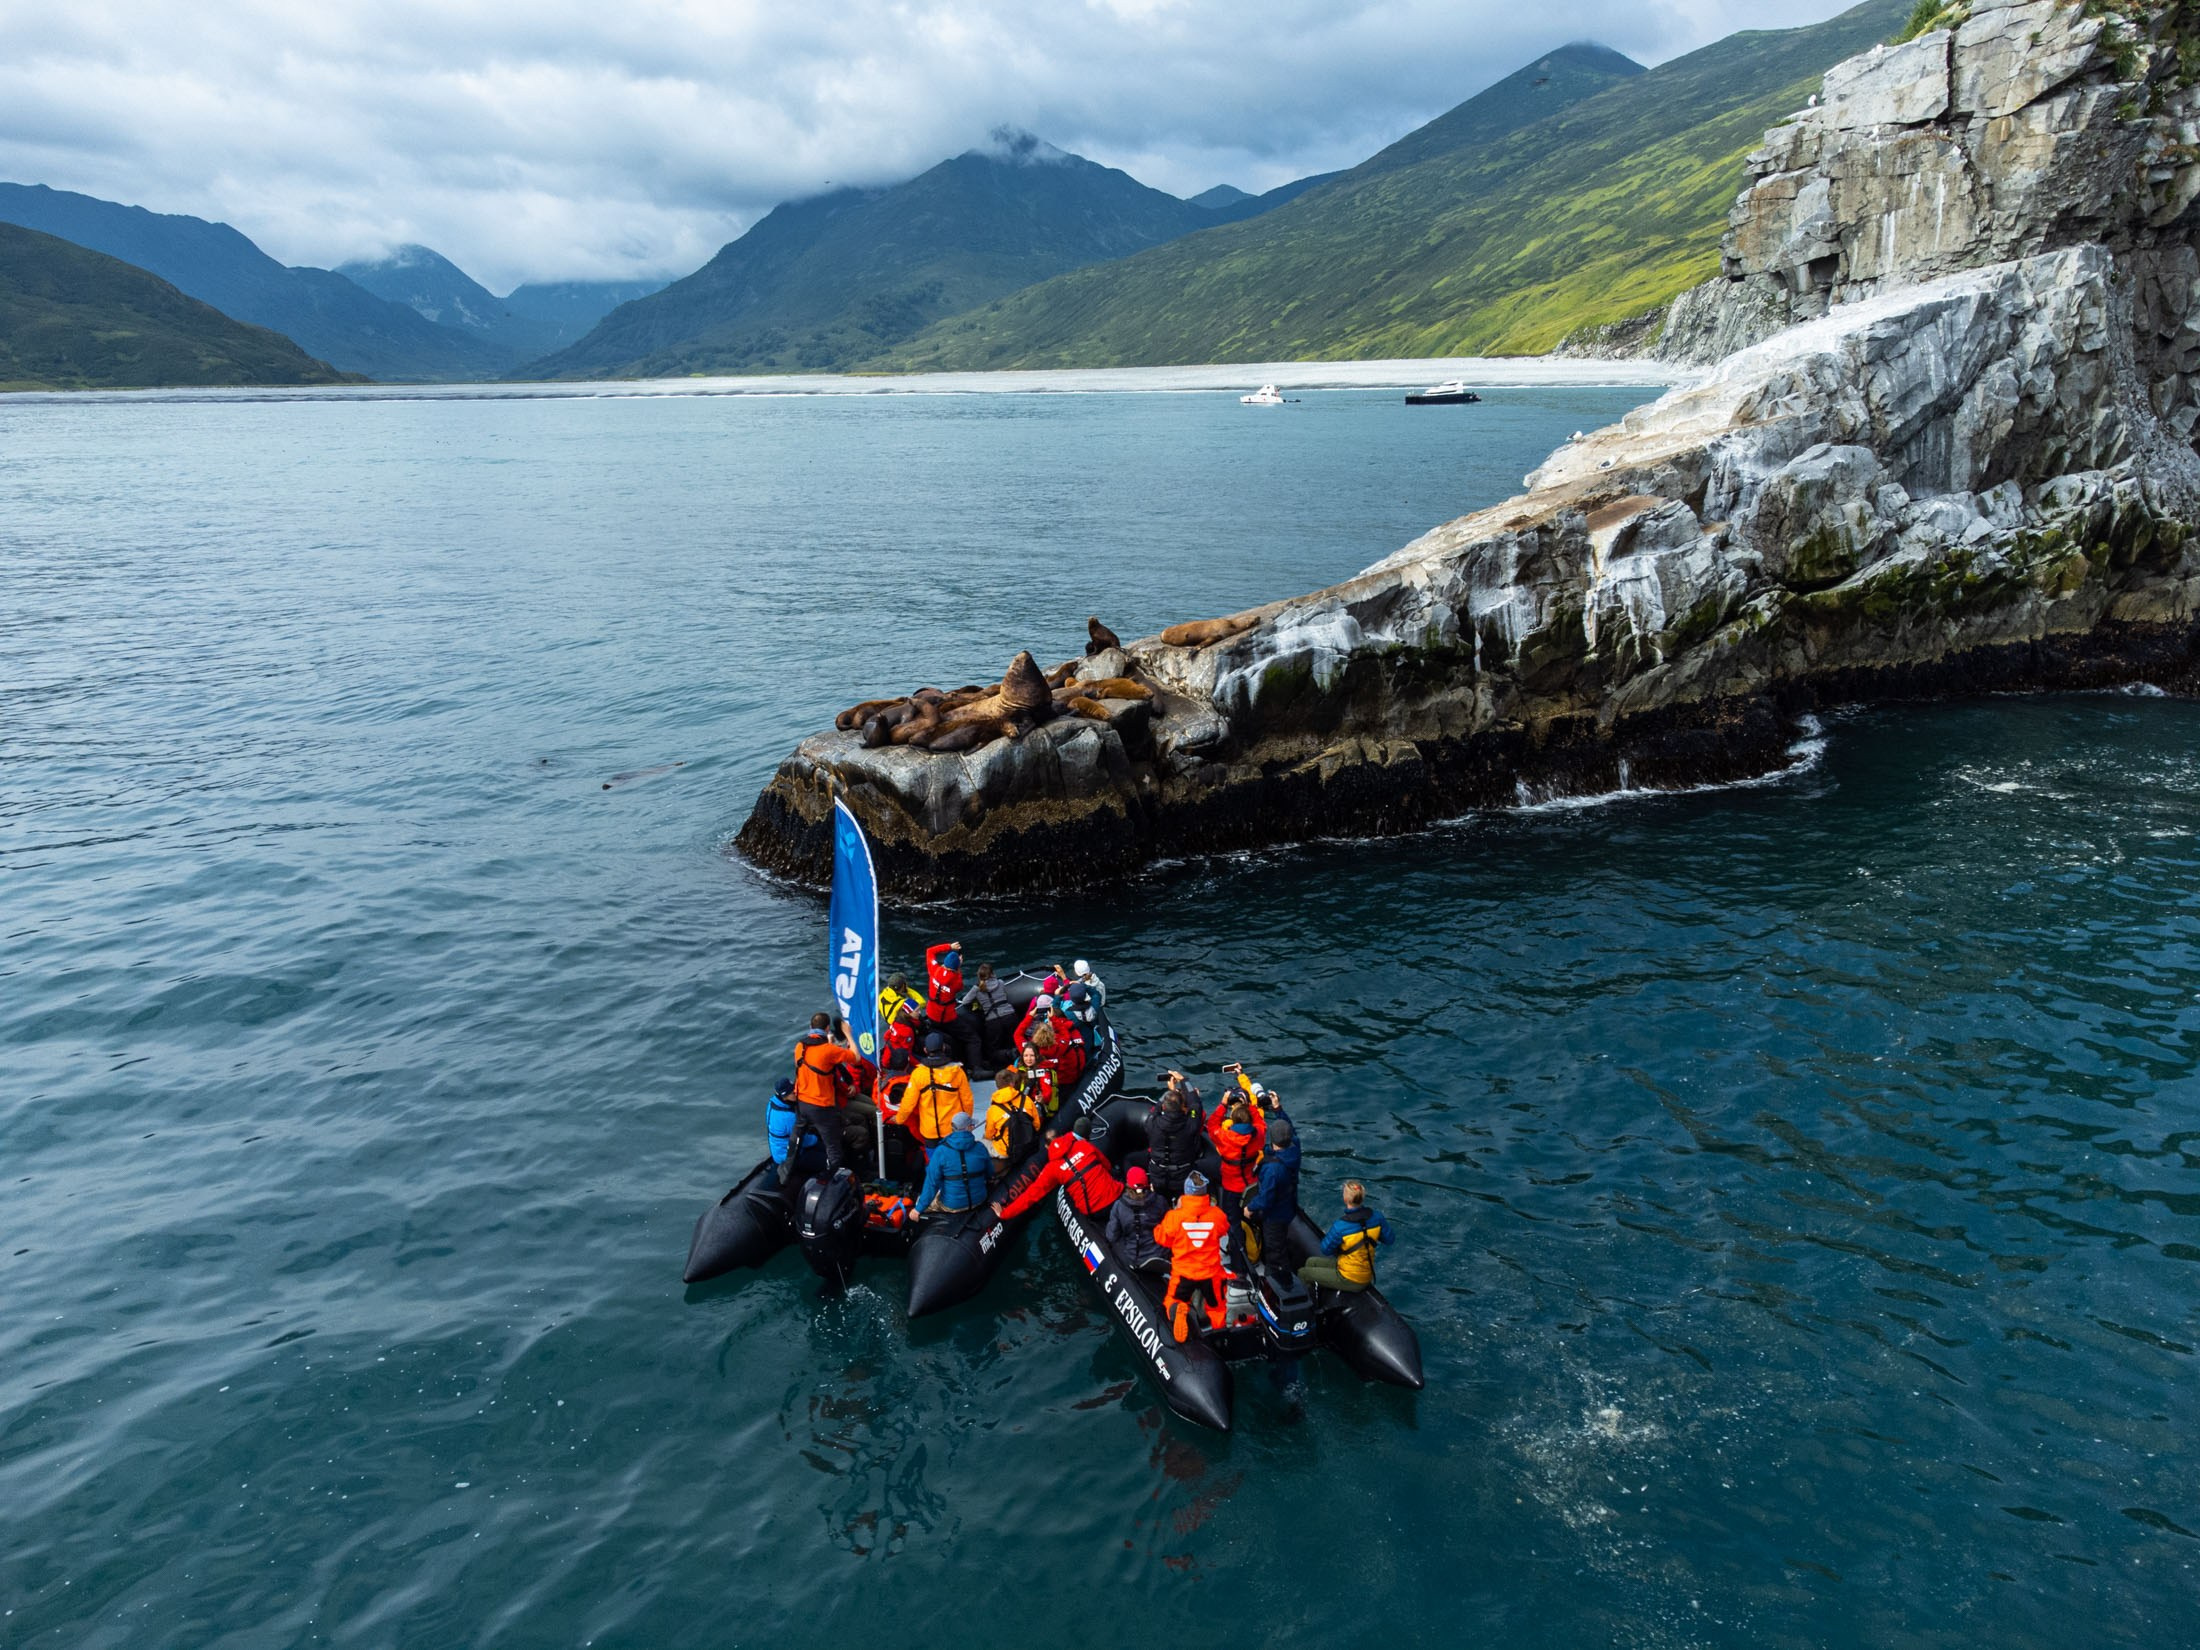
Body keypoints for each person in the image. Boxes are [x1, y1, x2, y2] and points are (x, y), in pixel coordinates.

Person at [993, 1115, 1124, 1221]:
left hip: (1095, 1211)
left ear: (1046, 1147)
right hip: (1116, 1197)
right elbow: (1106, 1165)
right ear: (1061, 1137)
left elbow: (1030, 1196)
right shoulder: (1084, 1145)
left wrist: (1004, 1214)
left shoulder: (1051, 1169)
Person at [1154, 1170, 1230, 1341]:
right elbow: (1224, 1229)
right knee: (1217, 1307)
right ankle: (1219, 1334)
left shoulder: (1175, 1217)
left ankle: (1179, 1308)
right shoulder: (1216, 1215)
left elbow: (1161, 1238)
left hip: (1184, 1274)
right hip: (1210, 1274)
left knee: (1171, 1301)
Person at [787, 1012, 857, 1183]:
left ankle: (786, 1171)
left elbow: (813, 1062)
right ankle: (829, 1181)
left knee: (796, 1138)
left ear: (811, 1027)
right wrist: (848, 1033)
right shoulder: (828, 1050)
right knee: (833, 1148)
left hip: (802, 1103)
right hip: (821, 1107)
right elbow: (856, 1057)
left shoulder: (799, 1047)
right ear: (827, 1029)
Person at [1296, 1180, 1393, 1292]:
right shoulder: (1377, 1217)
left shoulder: (1341, 1226)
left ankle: (1306, 1305)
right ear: (1362, 1197)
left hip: (1350, 1278)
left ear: (1345, 1199)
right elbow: (1390, 1240)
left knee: (1303, 1273)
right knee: (1311, 1262)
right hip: (1365, 1273)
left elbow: (1325, 1250)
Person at [1207, 1093, 1266, 1257]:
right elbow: (1261, 1123)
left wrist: (1223, 1103)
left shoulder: (1225, 1138)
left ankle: (1238, 1260)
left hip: (1231, 1187)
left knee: (1233, 1223)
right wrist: (1250, 1106)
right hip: (1250, 1185)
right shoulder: (1258, 1136)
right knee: (1248, 1218)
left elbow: (1211, 1125)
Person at [1242, 1116, 1301, 1275]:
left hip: (1275, 1215)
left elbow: (1266, 1198)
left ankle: (1278, 1279)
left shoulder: (1272, 1170)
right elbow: (1292, 1130)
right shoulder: (1295, 1147)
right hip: (1289, 1205)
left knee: (1274, 1250)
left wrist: (1250, 1207)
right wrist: (1278, 1110)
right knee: (1279, 1241)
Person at [893, 1031, 974, 1147]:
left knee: (935, 1163)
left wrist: (899, 1119)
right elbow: (967, 1100)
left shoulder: (918, 1074)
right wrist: (966, 1122)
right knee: (955, 1161)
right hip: (954, 1129)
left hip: (930, 1132)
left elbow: (908, 1102)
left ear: (925, 1050)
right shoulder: (957, 1072)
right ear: (944, 1047)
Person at [915, 1111, 993, 1214]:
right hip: (979, 1200)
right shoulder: (980, 1147)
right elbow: (990, 1173)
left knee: (919, 1201)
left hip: (952, 1205)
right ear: (969, 1127)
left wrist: (918, 1210)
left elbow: (931, 1183)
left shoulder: (941, 1151)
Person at [922, 940, 984, 1069]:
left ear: (944, 963)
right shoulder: (955, 981)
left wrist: (949, 946)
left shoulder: (933, 970)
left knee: (948, 1039)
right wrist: (958, 967)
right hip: (948, 1018)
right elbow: (959, 984)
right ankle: (976, 1068)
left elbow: (930, 951)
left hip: (932, 1015)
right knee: (973, 1039)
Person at [1144, 1075, 1206, 1196]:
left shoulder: (1152, 1123)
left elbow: (1155, 1109)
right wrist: (1183, 1080)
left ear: (1164, 1107)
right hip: (1182, 1176)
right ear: (1183, 1108)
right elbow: (1195, 1105)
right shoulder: (1190, 1126)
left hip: (1157, 1175)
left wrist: (1170, 1092)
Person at [1104, 1166, 1168, 1271]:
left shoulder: (1119, 1206)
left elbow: (1111, 1236)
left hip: (1135, 1257)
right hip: (1160, 1253)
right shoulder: (1160, 1201)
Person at [961, 962, 1019, 1069]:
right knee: (1014, 1042)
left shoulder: (977, 989)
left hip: (993, 1021)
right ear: (992, 973)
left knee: (993, 1049)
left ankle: (998, 1068)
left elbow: (965, 1002)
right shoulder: (1000, 983)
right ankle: (1016, 1063)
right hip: (1009, 1016)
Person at [982, 1066, 1045, 1162]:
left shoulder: (993, 1110)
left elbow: (989, 1135)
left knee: (982, 1142)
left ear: (997, 1085)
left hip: (1005, 1151)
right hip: (1028, 1145)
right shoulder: (1026, 1100)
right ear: (1012, 1083)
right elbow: (1036, 1125)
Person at [766, 1077, 810, 1169]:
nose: (796, 1092)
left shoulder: (772, 1103)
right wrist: (816, 1138)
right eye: (793, 1092)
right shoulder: (787, 1117)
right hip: (788, 1157)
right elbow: (802, 1140)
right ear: (785, 1096)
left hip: (778, 1151)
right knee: (825, 1157)